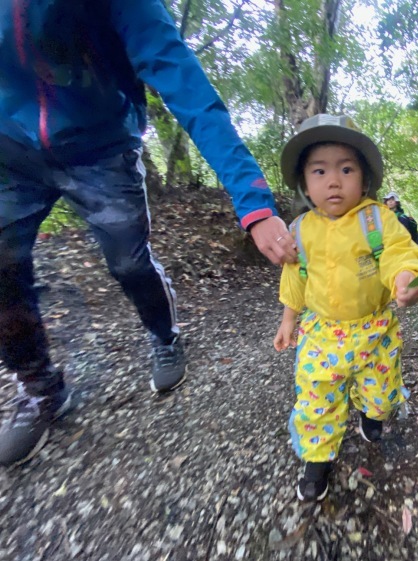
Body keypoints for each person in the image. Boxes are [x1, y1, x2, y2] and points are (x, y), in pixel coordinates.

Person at [0, 0, 297, 467]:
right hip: (10, 152)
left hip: (102, 148)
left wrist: (254, 202)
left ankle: (164, 334)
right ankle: (37, 387)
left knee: (128, 261)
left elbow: (189, 90)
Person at [273, 114, 418, 501]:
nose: (333, 181)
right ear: (305, 182)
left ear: (364, 178)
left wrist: (406, 277)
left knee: (381, 389)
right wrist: (288, 319)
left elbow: (399, 252)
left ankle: (372, 415)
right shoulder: (300, 230)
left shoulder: (378, 219)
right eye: (320, 171)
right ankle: (317, 457)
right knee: (317, 397)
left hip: (374, 329)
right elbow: (295, 277)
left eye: (346, 169)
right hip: (322, 333)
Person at [382, 192, 418, 258]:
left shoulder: (402, 217)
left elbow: (405, 234)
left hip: (404, 247)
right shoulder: (383, 216)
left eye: (392, 200)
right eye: (388, 200)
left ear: (396, 202)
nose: (390, 202)